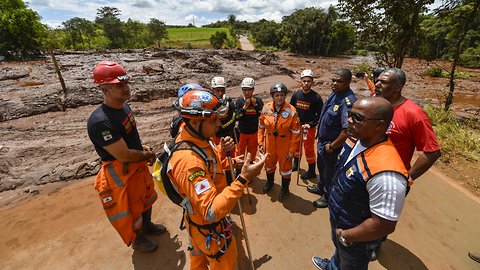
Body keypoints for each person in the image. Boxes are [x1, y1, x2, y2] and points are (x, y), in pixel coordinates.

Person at [168, 88, 266, 270]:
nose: (219, 124)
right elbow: (211, 210)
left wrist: (230, 160)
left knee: (198, 262)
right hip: (209, 228)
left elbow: (210, 166)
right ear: (196, 121)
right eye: (214, 120)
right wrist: (243, 179)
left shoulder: (196, 137)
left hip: (198, 227)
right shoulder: (188, 161)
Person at [311, 97, 408, 270]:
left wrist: (347, 236)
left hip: (356, 238)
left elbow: (383, 225)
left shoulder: (387, 174)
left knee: (351, 264)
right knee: (340, 256)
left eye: (357, 118)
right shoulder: (355, 139)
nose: (349, 120)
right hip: (340, 221)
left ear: (379, 125)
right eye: (350, 114)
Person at [87, 61, 165, 253]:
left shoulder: (124, 107)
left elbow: (129, 138)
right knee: (132, 206)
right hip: (121, 171)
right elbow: (122, 154)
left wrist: (141, 147)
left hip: (136, 163)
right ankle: (138, 239)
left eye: (126, 83)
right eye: (119, 86)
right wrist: (146, 154)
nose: (126, 88)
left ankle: (147, 227)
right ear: (104, 88)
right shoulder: (100, 122)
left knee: (146, 197)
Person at [373, 67, 441, 260]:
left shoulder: (414, 114)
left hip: (391, 178)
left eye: (383, 82)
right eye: (377, 80)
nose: (377, 84)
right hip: (367, 171)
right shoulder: (376, 104)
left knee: (382, 217)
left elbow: (432, 151)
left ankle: (375, 244)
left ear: (397, 87)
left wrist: (408, 178)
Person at [308, 69, 357, 208]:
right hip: (323, 142)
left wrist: (332, 146)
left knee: (330, 172)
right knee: (322, 167)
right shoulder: (334, 94)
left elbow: (347, 129)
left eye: (339, 81)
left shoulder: (348, 101)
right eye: (333, 81)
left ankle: (328, 196)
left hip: (332, 146)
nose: (334, 83)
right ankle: (320, 186)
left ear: (348, 83)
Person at [258, 83, 301, 200]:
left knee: (286, 169)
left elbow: (296, 133)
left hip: (285, 144)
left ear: (285, 96)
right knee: (269, 165)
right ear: (272, 96)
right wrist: (260, 143)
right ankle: (270, 183)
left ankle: (285, 189)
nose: (279, 98)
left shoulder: (292, 111)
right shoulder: (266, 108)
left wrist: (292, 150)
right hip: (269, 143)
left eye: (282, 95)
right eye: (277, 95)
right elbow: (261, 127)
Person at [289, 69, 323, 180]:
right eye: (304, 81)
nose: (306, 83)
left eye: (308, 81)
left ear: (312, 82)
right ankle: (296, 164)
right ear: (301, 81)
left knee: (308, 149)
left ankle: (312, 171)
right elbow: (291, 109)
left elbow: (320, 114)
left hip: (308, 128)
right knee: (296, 146)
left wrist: (311, 124)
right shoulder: (296, 95)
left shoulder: (316, 98)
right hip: (297, 126)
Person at [211, 76, 238, 185]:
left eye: (222, 90)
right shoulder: (210, 105)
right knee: (215, 159)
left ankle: (230, 180)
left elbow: (233, 118)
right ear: (213, 90)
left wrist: (220, 127)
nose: (220, 93)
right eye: (218, 90)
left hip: (228, 136)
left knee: (229, 159)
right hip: (215, 137)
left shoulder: (229, 103)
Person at [235, 77, 264, 159]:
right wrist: (244, 107)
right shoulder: (239, 102)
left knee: (252, 154)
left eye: (249, 90)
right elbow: (237, 117)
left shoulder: (258, 101)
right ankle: (238, 169)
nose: (247, 92)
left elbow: (262, 115)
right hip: (242, 133)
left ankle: (250, 167)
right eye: (244, 90)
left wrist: (255, 106)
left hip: (254, 132)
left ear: (253, 89)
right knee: (240, 153)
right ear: (242, 90)